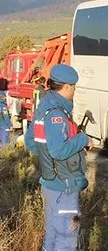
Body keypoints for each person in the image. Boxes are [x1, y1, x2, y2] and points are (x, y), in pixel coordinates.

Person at [25, 64, 93, 251]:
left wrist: (50, 162)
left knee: (52, 237)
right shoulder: (57, 113)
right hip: (64, 186)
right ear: (67, 87)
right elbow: (58, 150)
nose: (74, 91)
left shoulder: (44, 107)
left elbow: (32, 142)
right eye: (73, 87)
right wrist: (82, 140)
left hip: (50, 184)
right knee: (66, 240)